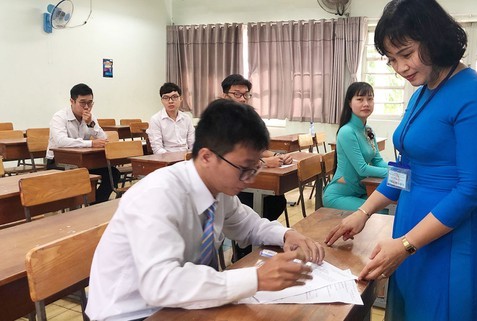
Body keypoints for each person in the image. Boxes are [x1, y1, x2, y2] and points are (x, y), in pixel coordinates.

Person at [325, 0, 477, 320]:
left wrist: (407, 245)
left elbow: (471, 191)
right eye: (392, 59)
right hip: (409, 229)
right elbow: (404, 170)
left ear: (435, 39)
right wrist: (364, 211)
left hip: (449, 240)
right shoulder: (422, 92)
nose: (401, 67)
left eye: (406, 54)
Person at [86, 99, 324, 321]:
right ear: (207, 156)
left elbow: (248, 224)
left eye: (255, 167)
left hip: (182, 303)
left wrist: (285, 235)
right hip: (132, 312)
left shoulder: (217, 189)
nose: (250, 179)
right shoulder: (159, 195)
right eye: (244, 168)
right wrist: (256, 278)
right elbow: (161, 284)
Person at [221, 74, 293, 261]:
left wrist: (276, 156)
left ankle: (255, 249)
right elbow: (233, 157)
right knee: (254, 197)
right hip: (232, 182)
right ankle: (243, 252)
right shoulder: (219, 122)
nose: (242, 99)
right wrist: (263, 163)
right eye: (237, 94)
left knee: (276, 199)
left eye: (246, 95)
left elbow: (259, 149)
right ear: (224, 95)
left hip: (239, 183)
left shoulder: (248, 120)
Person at [46, 83, 120, 204]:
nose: (87, 107)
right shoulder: (59, 117)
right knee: (82, 177)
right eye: (82, 102)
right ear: (72, 101)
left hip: (83, 161)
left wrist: (91, 123)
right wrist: (90, 143)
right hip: (59, 162)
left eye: (90, 103)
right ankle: (81, 206)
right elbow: (61, 141)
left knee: (113, 174)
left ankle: (95, 204)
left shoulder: (90, 117)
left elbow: (104, 139)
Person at [322, 82, 388, 211]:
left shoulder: (368, 130)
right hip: (339, 196)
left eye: (370, 99)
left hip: (360, 192)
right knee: (383, 212)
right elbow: (362, 169)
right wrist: (394, 174)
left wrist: (398, 170)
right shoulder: (347, 131)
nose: (366, 104)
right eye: (360, 99)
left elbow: (378, 161)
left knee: (392, 206)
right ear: (349, 103)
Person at [147, 82, 195, 154]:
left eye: (174, 97)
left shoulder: (186, 118)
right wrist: (174, 158)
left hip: (186, 157)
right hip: (166, 159)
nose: (170, 101)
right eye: (166, 98)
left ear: (181, 99)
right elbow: (157, 149)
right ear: (162, 101)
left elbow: (193, 143)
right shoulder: (155, 119)